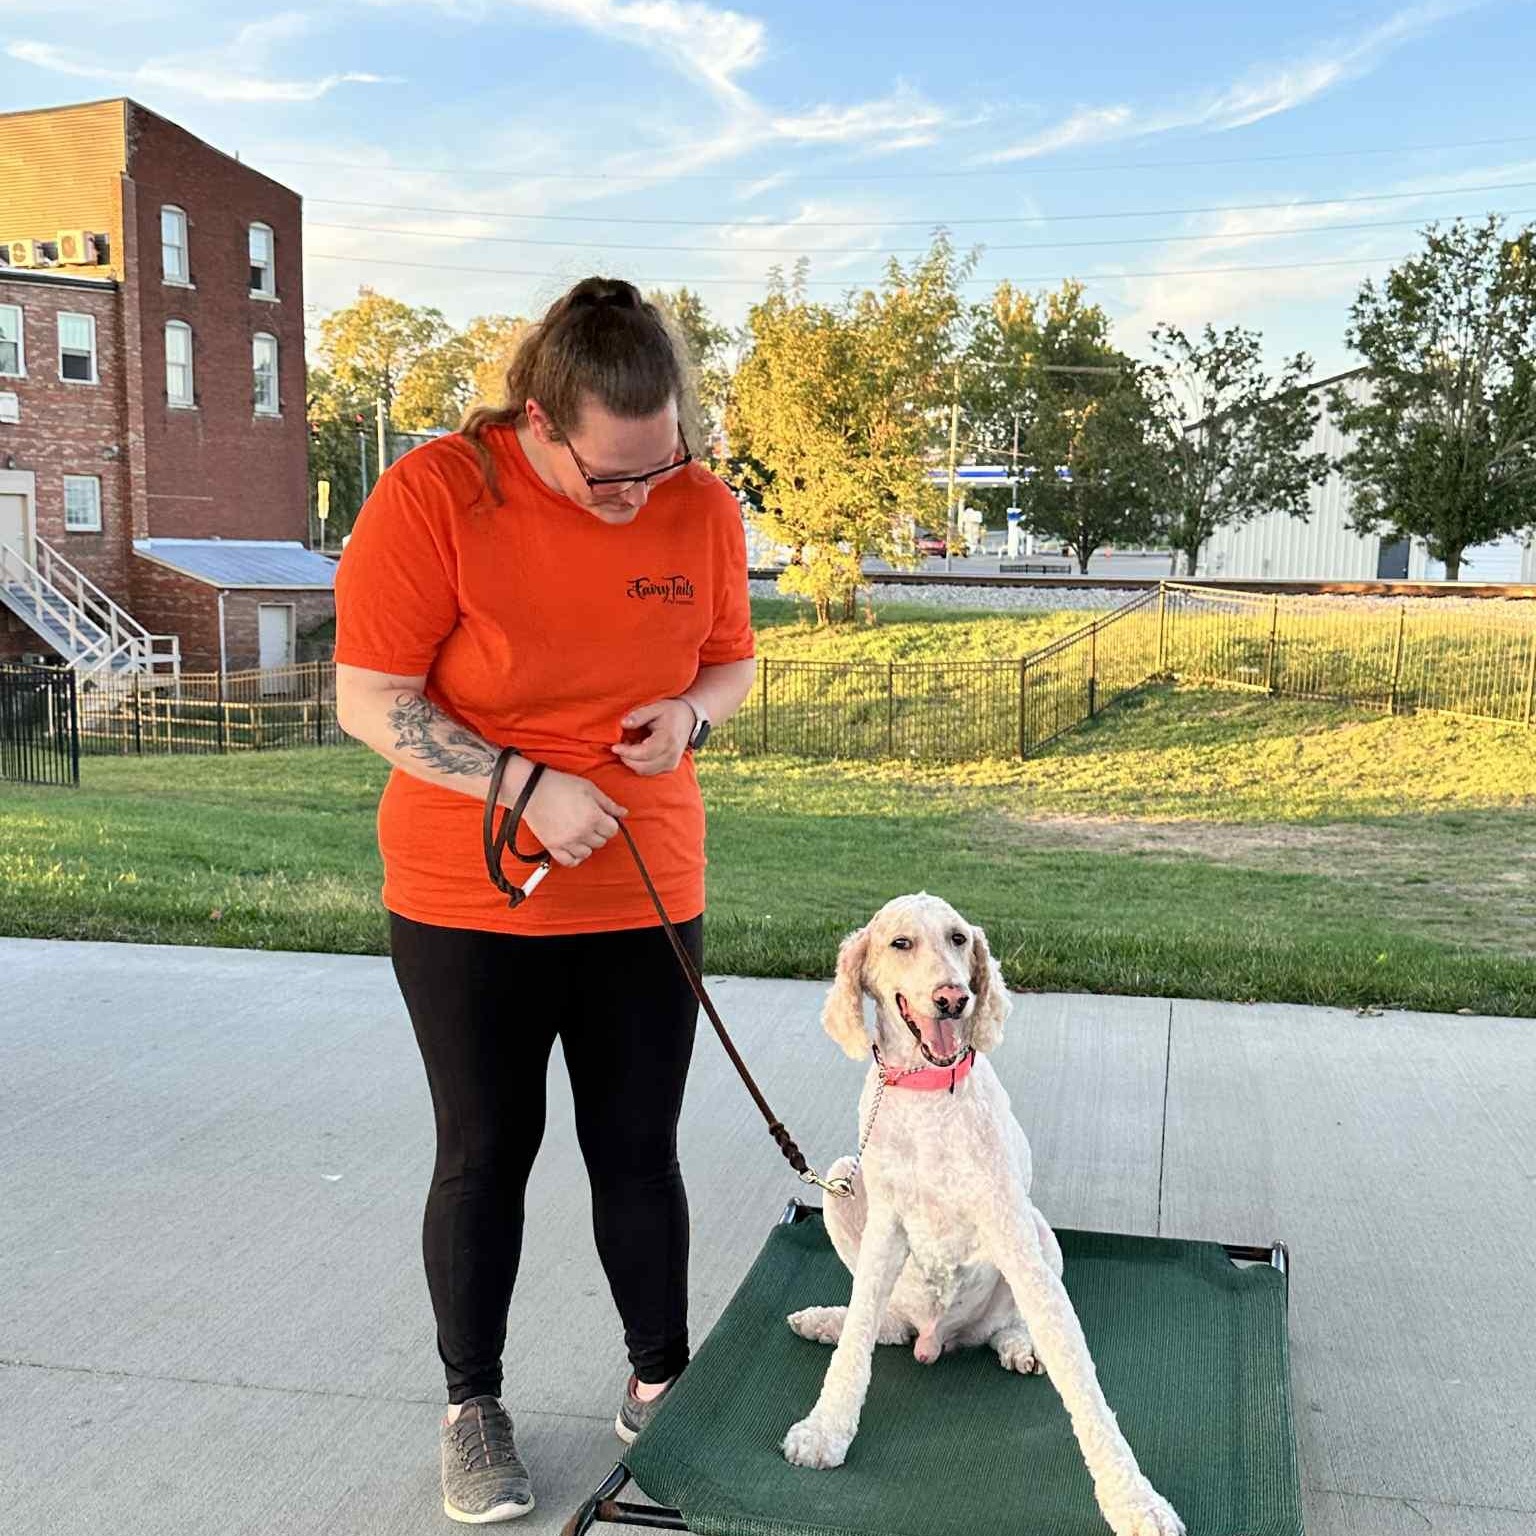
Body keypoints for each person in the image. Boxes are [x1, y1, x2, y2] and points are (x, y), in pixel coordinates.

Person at [332, 275, 757, 1525]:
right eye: (608, 476)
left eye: (659, 464)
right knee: (485, 1153)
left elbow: (731, 659)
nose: (638, 498)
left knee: (638, 1152)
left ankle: (658, 1385)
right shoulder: (436, 497)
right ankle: (473, 1409)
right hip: (470, 894)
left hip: (645, 882)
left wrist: (688, 714)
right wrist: (522, 782)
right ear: (536, 418)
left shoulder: (701, 507)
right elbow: (371, 697)